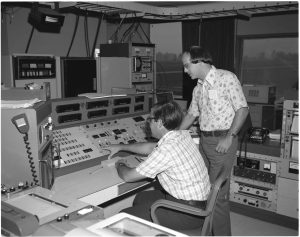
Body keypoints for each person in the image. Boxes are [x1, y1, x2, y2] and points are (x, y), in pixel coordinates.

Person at [105, 101, 211, 230]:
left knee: (124, 216)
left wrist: (119, 163)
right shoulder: (181, 134)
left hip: (188, 213)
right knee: (141, 198)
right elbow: (150, 147)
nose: (148, 123)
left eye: (150, 119)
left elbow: (128, 176)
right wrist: (121, 146)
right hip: (198, 203)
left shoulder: (167, 149)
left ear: (159, 122)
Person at [180, 46, 249, 236]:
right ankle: (205, 230)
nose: (185, 71)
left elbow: (242, 109)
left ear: (199, 62)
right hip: (205, 142)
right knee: (202, 189)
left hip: (222, 141)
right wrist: (175, 134)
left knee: (217, 196)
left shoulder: (226, 78)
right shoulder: (198, 88)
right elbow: (192, 114)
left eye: (187, 66)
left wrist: (229, 137)